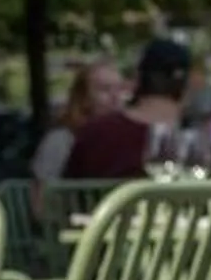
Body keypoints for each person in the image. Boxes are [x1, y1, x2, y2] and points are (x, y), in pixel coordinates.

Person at [65, 35, 198, 179]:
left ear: (138, 79)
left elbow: (65, 192)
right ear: (187, 86)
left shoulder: (95, 132)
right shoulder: (194, 141)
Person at [31, 59, 123, 188]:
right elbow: (39, 194)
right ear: (83, 97)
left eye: (120, 89)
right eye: (105, 89)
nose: (116, 97)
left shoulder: (127, 137)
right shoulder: (61, 139)